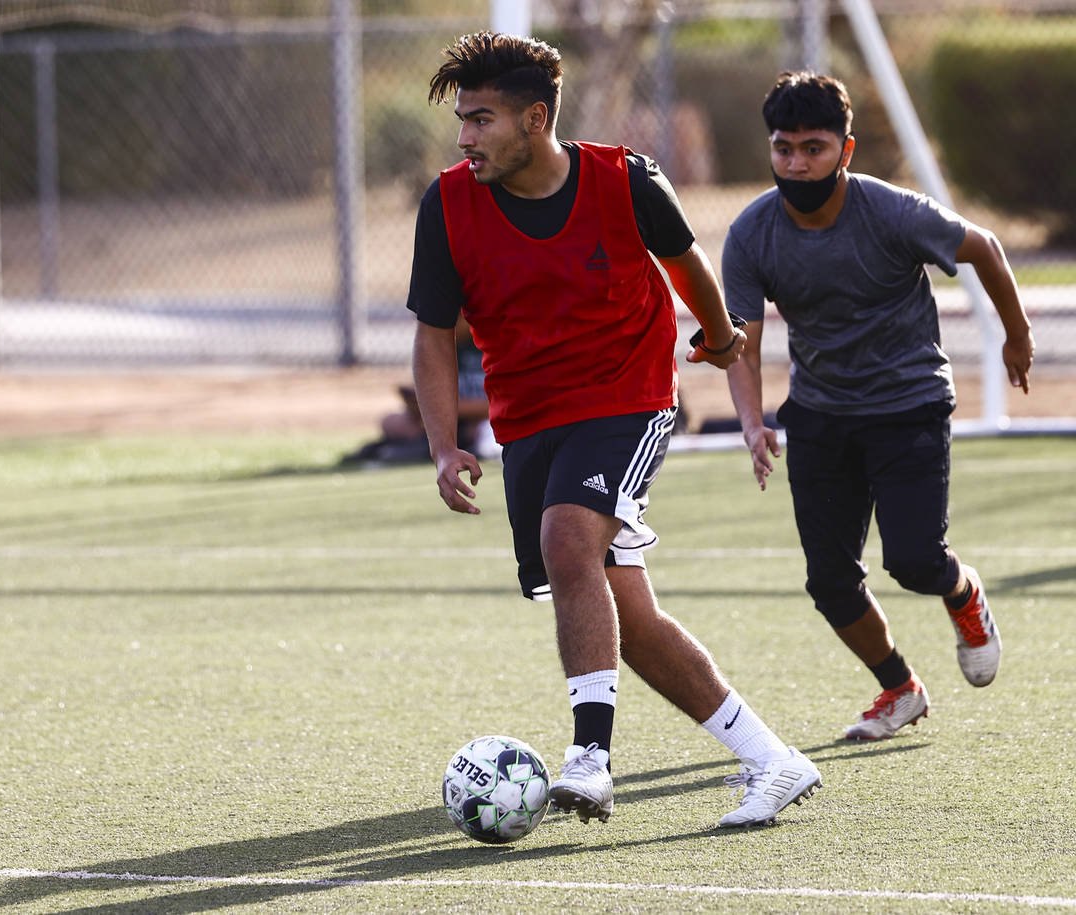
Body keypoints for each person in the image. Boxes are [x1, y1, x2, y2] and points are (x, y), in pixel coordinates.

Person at [407, 30, 821, 828]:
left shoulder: (625, 180)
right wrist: (442, 442)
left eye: (481, 119)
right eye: (462, 120)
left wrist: (721, 334)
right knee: (630, 620)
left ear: (535, 120)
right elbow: (432, 333)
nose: (465, 137)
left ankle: (590, 759)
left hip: (629, 398)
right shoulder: (448, 203)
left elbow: (686, 261)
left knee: (569, 540)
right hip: (529, 420)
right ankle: (774, 760)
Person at [722, 71, 1035, 740]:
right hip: (820, 412)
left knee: (916, 562)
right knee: (830, 582)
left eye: (814, 148)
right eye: (784, 149)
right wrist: (753, 420)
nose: (798, 163)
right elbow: (740, 344)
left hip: (908, 402)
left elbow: (984, 247)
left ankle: (963, 593)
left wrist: (1017, 333)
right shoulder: (751, 234)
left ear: (846, 150)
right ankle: (900, 688)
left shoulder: (891, 211)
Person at [343, 317, 498, 464]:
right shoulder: (444, 346)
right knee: (391, 422)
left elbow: (494, 406)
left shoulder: (488, 346)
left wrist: (441, 409)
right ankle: (418, 446)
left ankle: (426, 447)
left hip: (478, 419)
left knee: (483, 430)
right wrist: (416, 402)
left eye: (454, 321)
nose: (450, 327)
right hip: (447, 418)